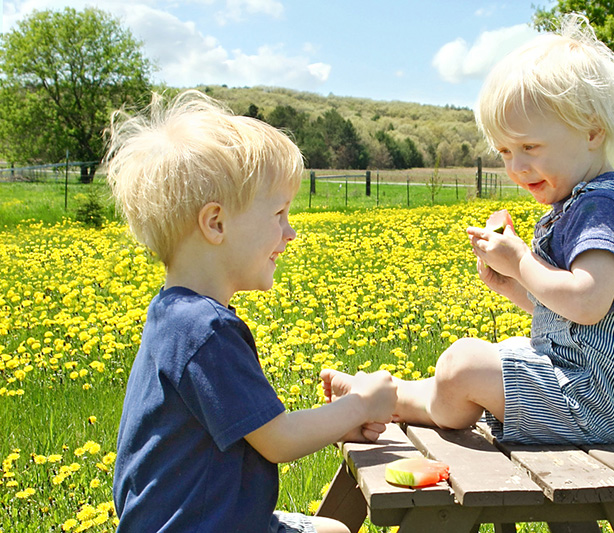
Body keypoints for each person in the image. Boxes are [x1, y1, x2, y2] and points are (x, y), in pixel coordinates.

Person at [323, 14, 614, 445]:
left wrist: (519, 260)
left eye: (530, 147)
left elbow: (586, 303)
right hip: (579, 385)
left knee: (464, 364)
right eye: (505, 151)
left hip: (589, 402)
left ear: (592, 131)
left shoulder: (603, 208)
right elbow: (576, 322)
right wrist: (510, 283)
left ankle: (382, 400)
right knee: (464, 371)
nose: (517, 167)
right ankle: (381, 399)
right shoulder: (585, 202)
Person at [106, 89, 397, 533]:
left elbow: (253, 433)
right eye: (279, 213)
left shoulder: (173, 315)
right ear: (216, 223)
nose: (291, 232)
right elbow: (277, 439)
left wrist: (336, 424)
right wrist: (361, 404)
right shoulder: (205, 329)